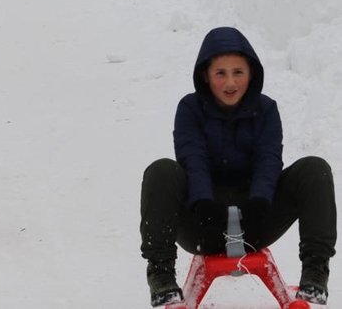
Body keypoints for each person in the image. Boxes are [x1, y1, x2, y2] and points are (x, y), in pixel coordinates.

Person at [139, 27, 336, 307]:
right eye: (220, 73)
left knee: (314, 169)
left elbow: (269, 159)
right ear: (206, 75)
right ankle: (161, 274)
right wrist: (203, 202)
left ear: (251, 73)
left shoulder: (266, 110)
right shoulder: (190, 109)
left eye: (238, 72)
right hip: (202, 223)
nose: (230, 82)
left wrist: (260, 201)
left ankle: (315, 271)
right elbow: (192, 159)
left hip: (257, 219)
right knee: (161, 171)